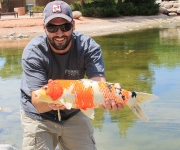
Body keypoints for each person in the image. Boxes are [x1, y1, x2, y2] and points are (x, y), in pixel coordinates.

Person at [20, 0, 123, 149]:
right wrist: (54, 102)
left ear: (73, 25)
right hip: (39, 116)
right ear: (44, 28)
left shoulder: (89, 47)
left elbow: (98, 84)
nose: (59, 33)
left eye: (65, 26)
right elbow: (39, 104)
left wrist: (111, 95)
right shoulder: (33, 52)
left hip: (74, 111)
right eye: (52, 27)